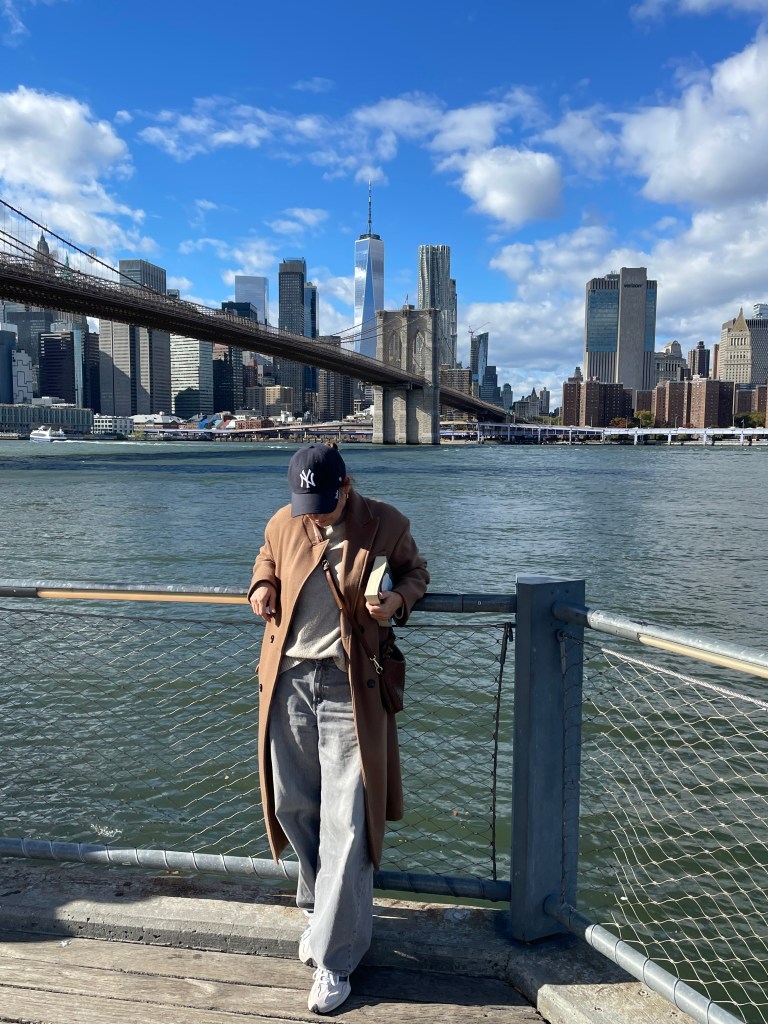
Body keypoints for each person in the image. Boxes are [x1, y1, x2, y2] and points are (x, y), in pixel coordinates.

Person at [248, 444, 429, 1014]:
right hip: (287, 682)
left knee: (349, 822)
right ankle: (319, 909)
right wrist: (261, 585)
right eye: (306, 504)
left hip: (352, 687)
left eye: (324, 505)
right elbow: (268, 556)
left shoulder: (386, 523)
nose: (315, 515)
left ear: (346, 485)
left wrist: (398, 598)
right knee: (292, 806)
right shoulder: (287, 518)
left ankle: (335, 958)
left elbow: (417, 572)